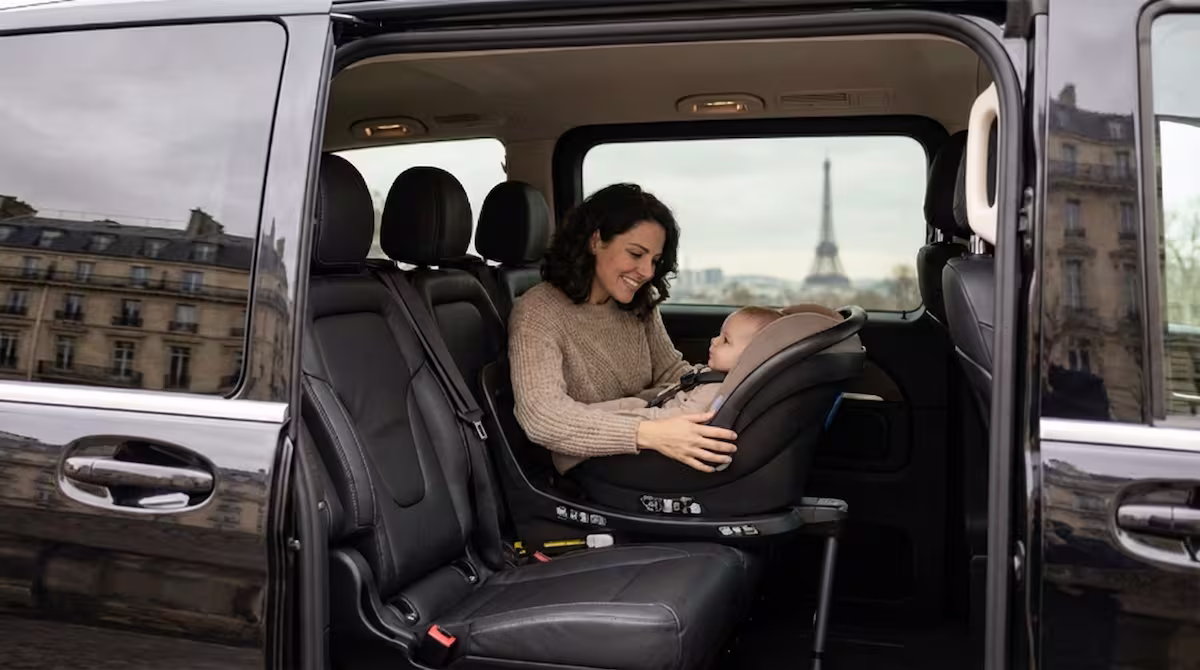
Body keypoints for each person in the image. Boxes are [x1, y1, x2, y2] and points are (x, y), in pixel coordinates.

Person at [508, 183, 738, 475]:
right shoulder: (538, 311)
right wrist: (651, 432)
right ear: (595, 241)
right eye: (635, 254)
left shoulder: (639, 303)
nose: (647, 272)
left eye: (654, 260)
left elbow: (671, 373)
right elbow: (542, 416)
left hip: (645, 439)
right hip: (595, 464)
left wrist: (725, 388)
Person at [592, 305, 784, 418]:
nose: (714, 341)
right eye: (719, 335)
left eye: (726, 340)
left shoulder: (715, 391)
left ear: (753, 357)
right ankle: (579, 415)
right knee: (629, 403)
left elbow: (685, 418)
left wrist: (644, 419)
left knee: (622, 412)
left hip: (660, 424)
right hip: (658, 408)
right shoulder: (714, 376)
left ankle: (582, 426)